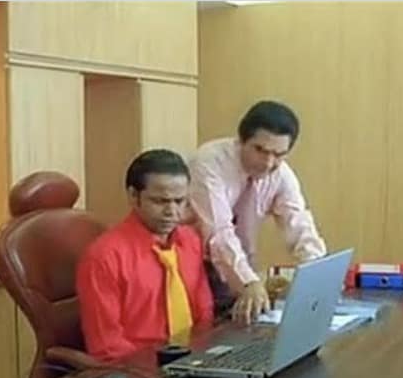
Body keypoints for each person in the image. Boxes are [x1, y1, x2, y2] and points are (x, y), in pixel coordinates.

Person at [188, 100, 327, 324]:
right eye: (260, 150)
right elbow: (218, 233)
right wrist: (248, 282)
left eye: (279, 154)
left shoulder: (280, 173)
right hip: (195, 269)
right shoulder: (209, 163)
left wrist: (316, 272)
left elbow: (298, 221)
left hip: (240, 268)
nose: (268, 163)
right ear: (241, 140)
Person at [77, 149, 214, 361]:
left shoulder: (190, 241)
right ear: (134, 196)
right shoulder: (104, 257)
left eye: (179, 201)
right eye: (160, 201)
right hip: (138, 367)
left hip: (193, 360)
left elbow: (204, 313)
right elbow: (107, 347)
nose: (172, 212)